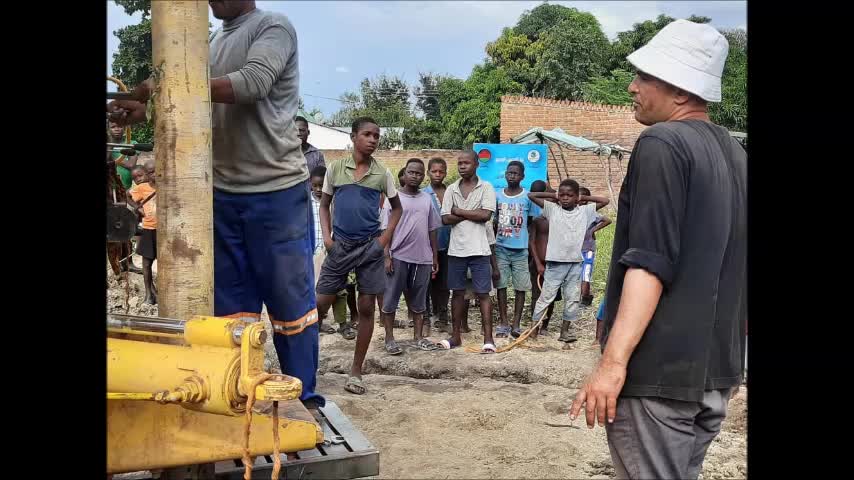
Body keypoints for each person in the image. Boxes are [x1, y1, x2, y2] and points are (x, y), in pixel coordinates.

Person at [107, 0, 326, 410]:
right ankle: (240, 395)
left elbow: (252, 83)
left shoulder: (272, 27)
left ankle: (303, 402)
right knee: (231, 310)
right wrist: (145, 102)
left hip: (275, 191)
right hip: (222, 195)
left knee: (290, 305)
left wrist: (166, 86)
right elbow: (186, 90)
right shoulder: (210, 42)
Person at [568, 20, 746, 480]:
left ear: (681, 90)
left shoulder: (663, 143)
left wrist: (612, 363)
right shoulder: (737, 156)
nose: (632, 86)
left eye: (644, 76)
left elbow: (649, 264)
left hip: (660, 376)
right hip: (715, 373)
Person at [315, 117, 402, 395]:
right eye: (367, 134)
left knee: (366, 309)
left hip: (370, 248)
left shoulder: (382, 173)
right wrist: (328, 238)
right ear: (353, 137)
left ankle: (356, 372)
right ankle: (306, 365)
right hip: (339, 246)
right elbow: (324, 205)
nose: (373, 139)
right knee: (319, 305)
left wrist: (383, 241)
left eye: (376, 135)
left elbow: (397, 209)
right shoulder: (336, 169)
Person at [528, 180, 609, 342]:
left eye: (569, 195)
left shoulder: (585, 211)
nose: (565, 198)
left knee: (572, 299)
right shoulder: (552, 210)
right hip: (555, 264)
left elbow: (605, 201)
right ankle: (534, 331)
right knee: (545, 297)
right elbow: (531, 195)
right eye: (562, 195)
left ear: (577, 197)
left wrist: (581, 197)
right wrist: (554, 195)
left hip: (574, 264)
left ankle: (564, 332)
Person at [381, 158, 441, 354]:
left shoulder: (426, 199)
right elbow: (384, 229)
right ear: (404, 174)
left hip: (422, 257)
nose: (415, 176)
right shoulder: (394, 198)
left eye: (419, 173)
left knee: (419, 300)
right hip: (398, 256)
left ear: (423, 176)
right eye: (412, 172)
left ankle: (418, 337)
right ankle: (389, 339)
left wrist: (434, 256)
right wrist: (387, 256)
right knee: (391, 299)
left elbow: (432, 229)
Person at [439, 151, 497, 353]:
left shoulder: (486, 187)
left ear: (476, 164)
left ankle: (488, 339)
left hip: (480, 250)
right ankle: (456, 336)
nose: (462, 166)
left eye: (466, 163)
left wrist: (459, 211)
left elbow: (486, 215)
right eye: (460, 163)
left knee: (483, 294)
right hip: (456, 250)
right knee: (457, 293)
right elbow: (445, 219)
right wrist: (473, 213)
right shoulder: (452, 189)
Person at [494, 161, 533, 338]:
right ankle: (503, 322)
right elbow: (493, 222)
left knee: (520, 287)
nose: (512, 176)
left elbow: (531, 224)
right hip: (501, 248)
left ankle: (516, 324)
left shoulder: (528, 197)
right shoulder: (497, 196)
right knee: (501, 286)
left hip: (521, 250)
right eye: (509, 173)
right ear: (505, 174)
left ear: (522, 177)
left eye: (516, 173)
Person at [310, 166, 351, 336]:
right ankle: (317, 322)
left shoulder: (337, 202)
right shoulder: (306, 203)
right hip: (313, 253)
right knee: (315, 290)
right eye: (315, 186)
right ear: (310, 185)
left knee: (340, 289)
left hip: (334, 252)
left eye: (322, 185)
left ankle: (342, 324)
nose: (319, 190)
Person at [422, 157, 451, 332]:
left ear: (446, 173)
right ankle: (425, 318)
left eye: (441, 171)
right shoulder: (423, 194)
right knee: (426, 284)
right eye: (434, 171)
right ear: (428, 173)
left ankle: (443, 316)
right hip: (426, 247)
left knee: (445, 284)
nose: (438, 174)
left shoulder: (451, 192)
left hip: (449, 246)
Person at [528, 180, 558, 335]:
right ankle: (535, 326)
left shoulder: (562, 219)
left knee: (551, 296)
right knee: (536, 295)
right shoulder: (538, 220)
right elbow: (532, 242)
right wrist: (538, 263)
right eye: (548, 200)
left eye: (554, 200)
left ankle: (545, 325)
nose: (551, 203)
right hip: (538, 263)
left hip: (556, 265)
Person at [127, 162, 158, 305]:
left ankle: (158, 292)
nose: (154, 175)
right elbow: (126, 195)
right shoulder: (142, 188)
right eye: (150, 172)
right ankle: (148, 295)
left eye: (156, 172)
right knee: (146, 264)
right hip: (148, 230)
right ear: (147, 173)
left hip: (164, 232)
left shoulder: (168, 187)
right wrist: (137, 207)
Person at [578, 187, 612, 307]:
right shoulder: (571, 211)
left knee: (586, 274)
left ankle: (585, 298)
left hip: (587, 248)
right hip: (574, 249)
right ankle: (582, 297)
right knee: (576, 275)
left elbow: (607, 220)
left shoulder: (590, 211)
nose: (579, 199)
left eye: (582, 197)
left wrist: (593, 230)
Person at [296, 115, 326, 192]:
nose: (298, 133)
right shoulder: (285, 153)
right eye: (296, 130)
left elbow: (322, 179)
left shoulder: (317, 154)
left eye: (302, 130)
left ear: (308, 132)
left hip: (311, 198)